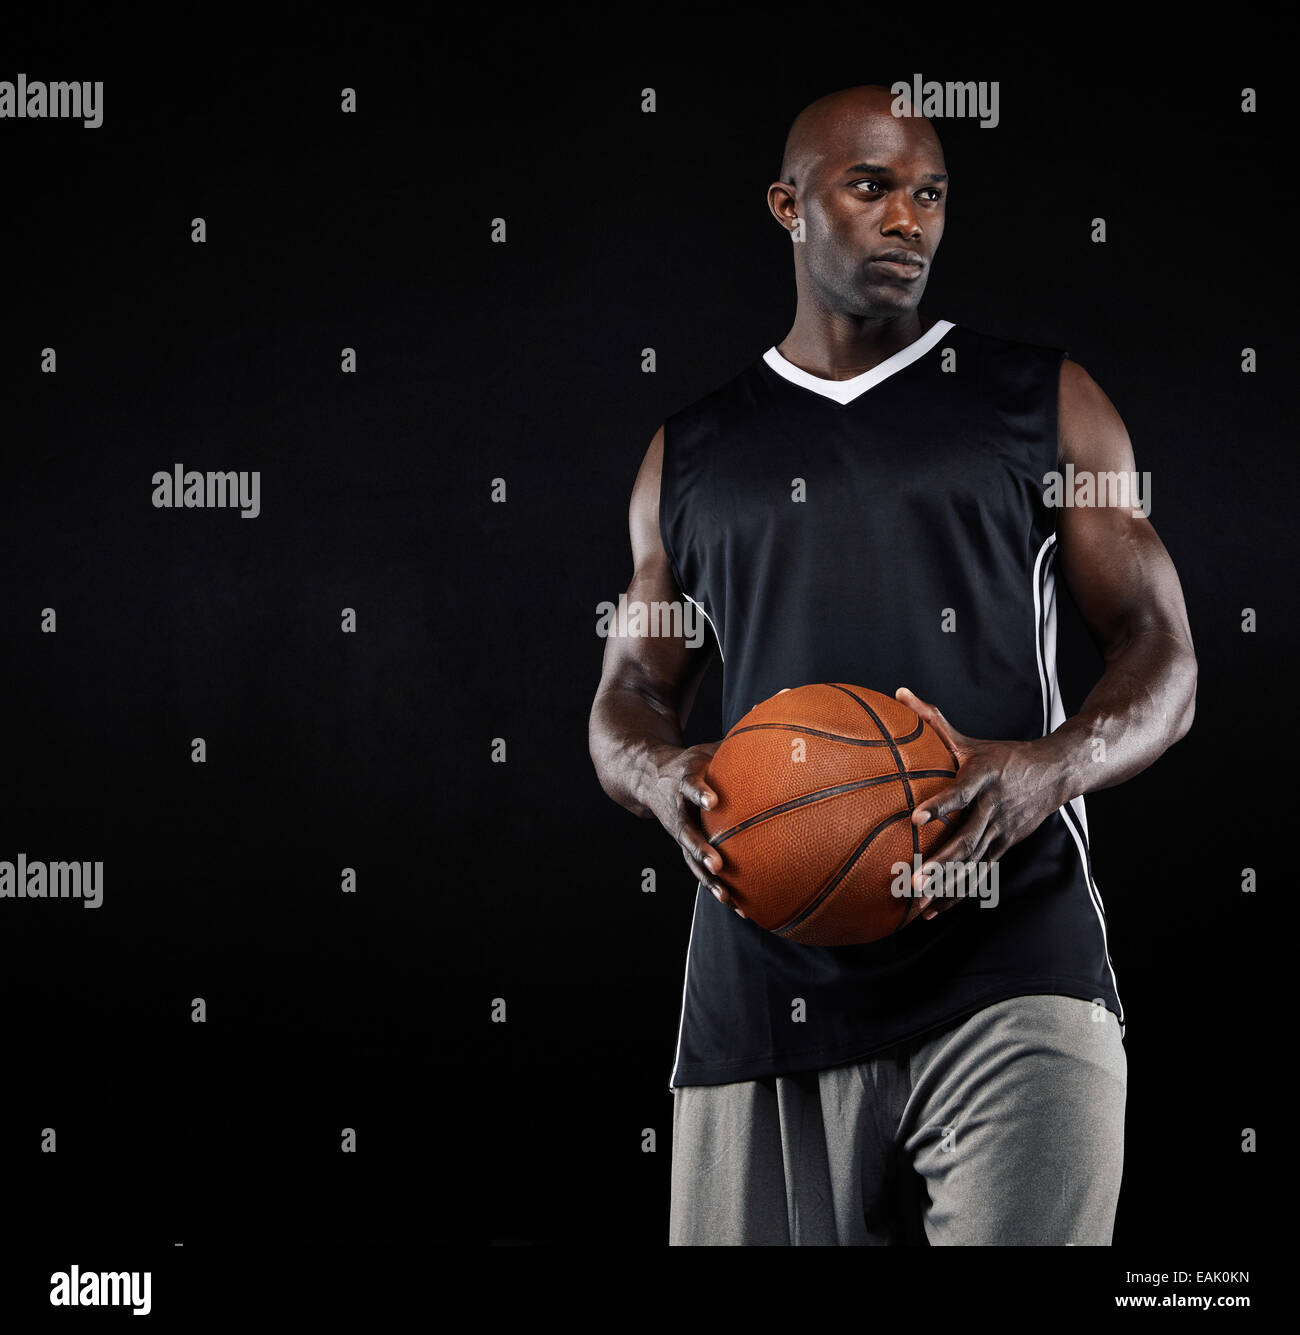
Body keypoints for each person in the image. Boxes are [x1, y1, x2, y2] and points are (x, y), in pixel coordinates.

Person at [587, 85, 1196, 1245]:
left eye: (928, 195)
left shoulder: (1042, 400)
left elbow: (1163, 651)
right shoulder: (691, 453)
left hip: (1010, 954)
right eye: (870, 189)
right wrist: (663, 781)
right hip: (767, 979)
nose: (907, 219)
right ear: (788, 206)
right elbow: (628, 697)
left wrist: (1051, 769)